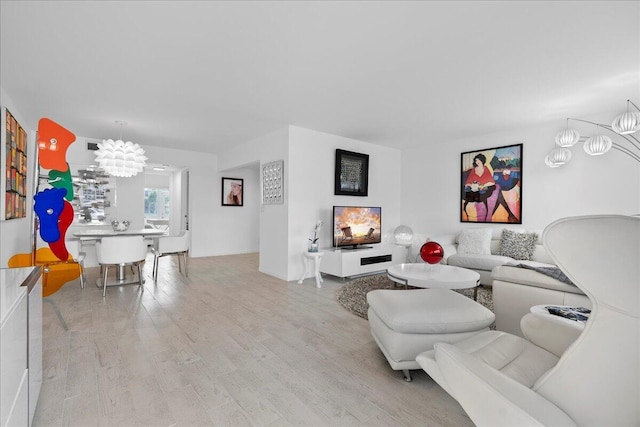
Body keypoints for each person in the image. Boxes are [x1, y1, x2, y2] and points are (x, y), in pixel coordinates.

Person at [463, 153, 495, 221]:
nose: (477, 162)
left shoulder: (486, 169)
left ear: (482, 161)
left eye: (479, 161)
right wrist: (472, 185)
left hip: (483, 188)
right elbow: (468, 182)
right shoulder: (473, 170)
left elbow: (491, 182)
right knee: (468, 191)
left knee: (485, 191)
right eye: (476, 161)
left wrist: (482, 185)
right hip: (474, 188)